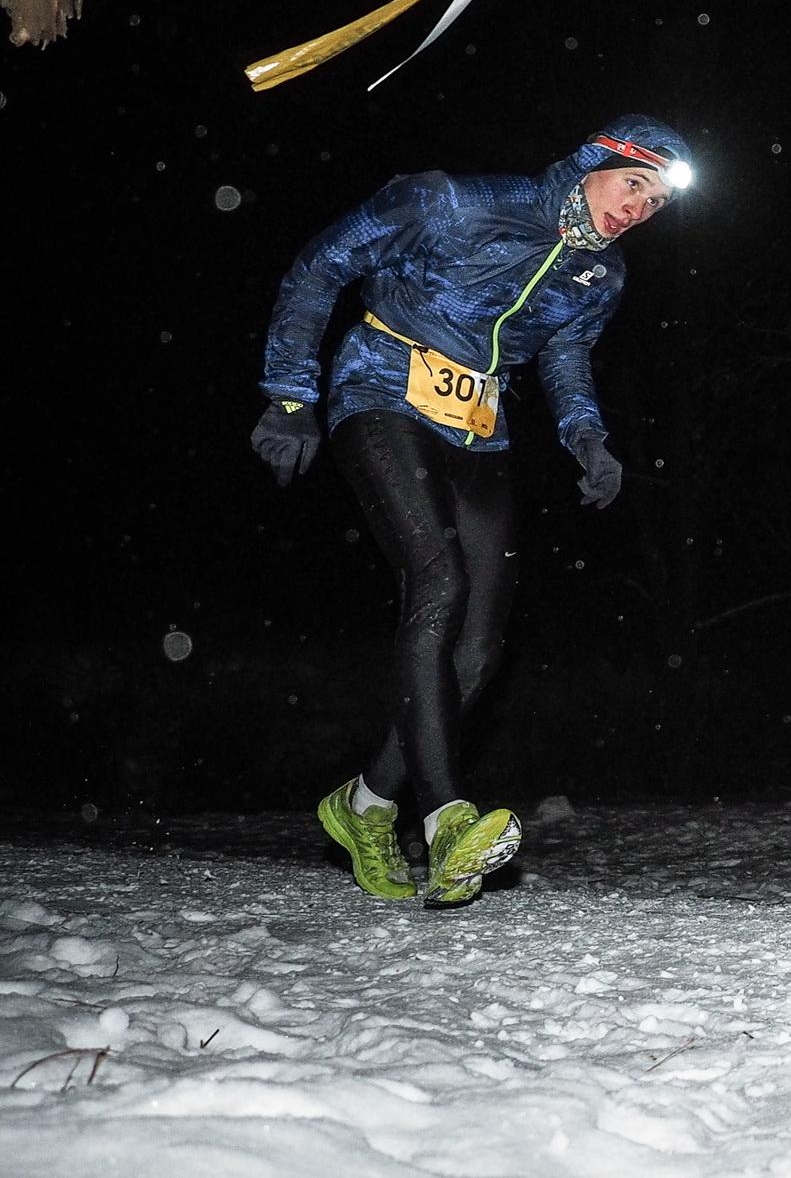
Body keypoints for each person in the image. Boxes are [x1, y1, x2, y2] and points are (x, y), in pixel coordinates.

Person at [250, 116, 695, 908]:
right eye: (635, 185)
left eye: (656, 202)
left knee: (482, 649)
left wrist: (588, 437)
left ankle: (364, 805)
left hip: (479, 427)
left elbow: (562, 353)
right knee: (438, 578)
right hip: (383, 390)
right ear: (597, 162)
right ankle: (447, 816)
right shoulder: (451, 201)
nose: (639, 209)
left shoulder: (604, 275)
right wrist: (290, 393)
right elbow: (322, 263)